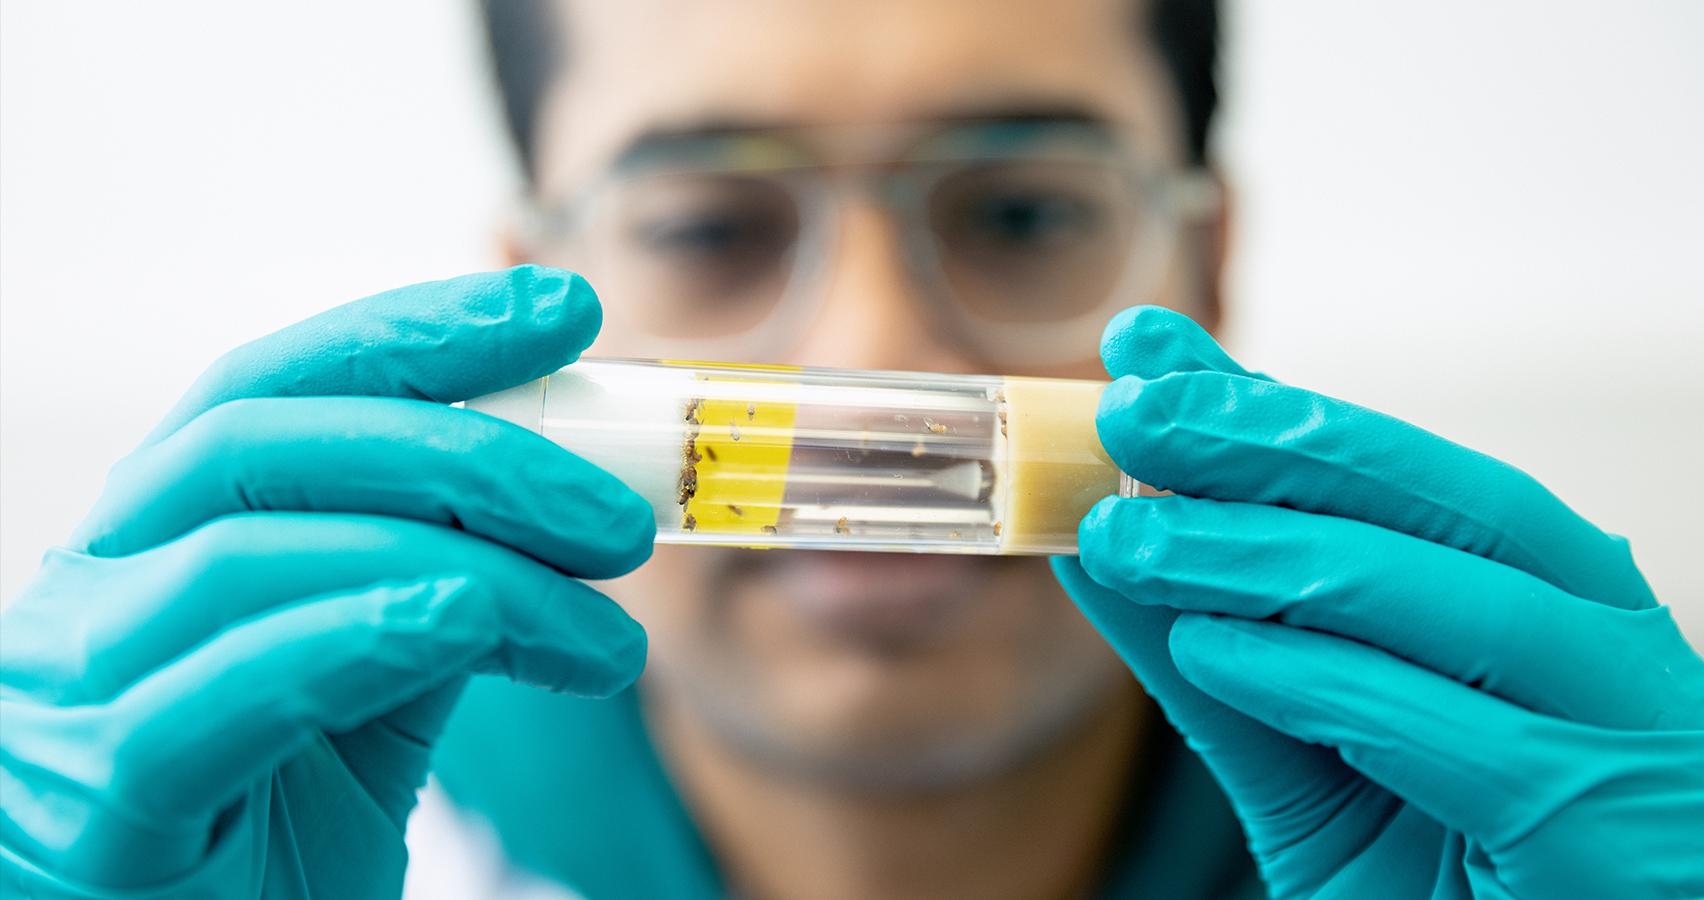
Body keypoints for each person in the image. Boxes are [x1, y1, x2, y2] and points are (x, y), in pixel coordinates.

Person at [1, 1, 1699, 899]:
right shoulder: (256, 848)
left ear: (1210, 267)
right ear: (529, 290)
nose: (878, 357)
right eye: (714, 222)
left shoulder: (1533, 836)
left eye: (1029, 209)